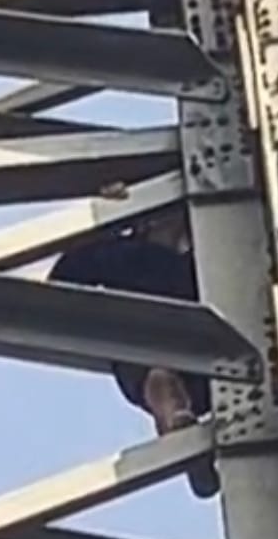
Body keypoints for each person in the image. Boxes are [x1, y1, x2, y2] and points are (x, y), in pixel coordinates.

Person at [49, 203, 220, 498]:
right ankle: (182, 435)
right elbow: (64, 282)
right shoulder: (123, 254)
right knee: (160, 379)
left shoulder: (205, 256)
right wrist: (108, 221)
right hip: (146, 352)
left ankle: (185, 437)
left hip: (207, 359)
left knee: (161, 376)